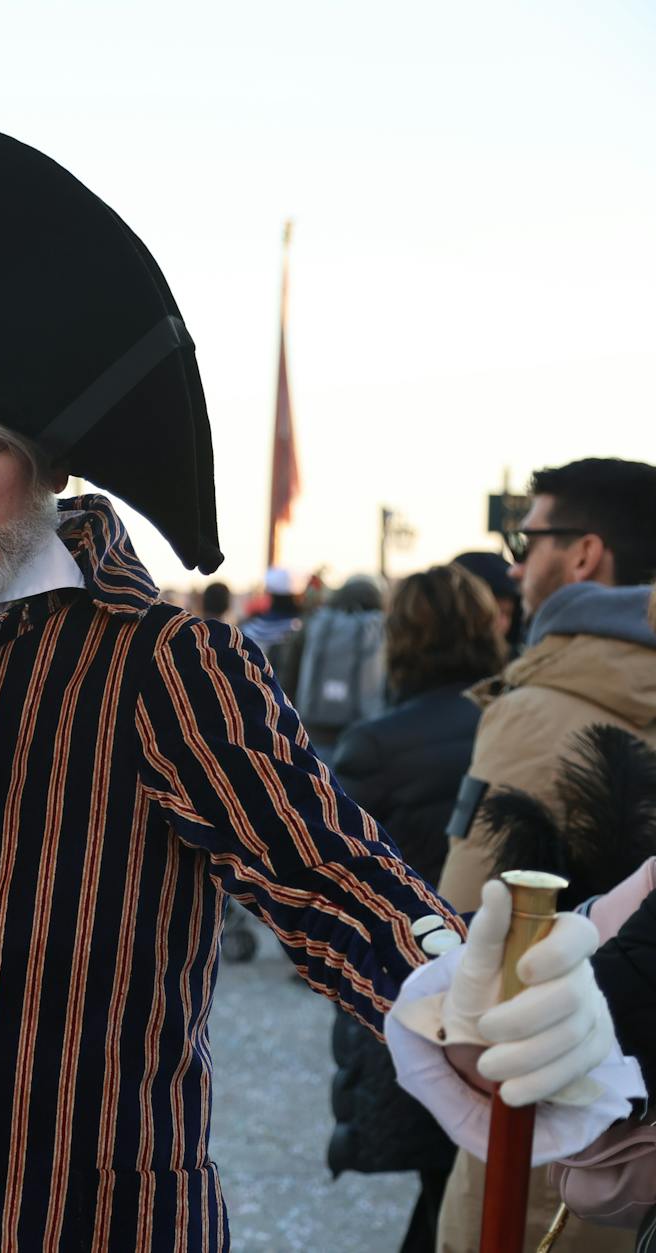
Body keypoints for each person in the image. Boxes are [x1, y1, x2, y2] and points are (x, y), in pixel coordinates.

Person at [0, 123, 617, 1251]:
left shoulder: (155, 655)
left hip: (67, 1213)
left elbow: (318, 867)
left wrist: (459, 983)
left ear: (46, 465)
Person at [326, 564, 508, 1252]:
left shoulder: (378, 742)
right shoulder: (512, 720)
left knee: (445, 1190)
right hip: (508, 979)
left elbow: (339, 881)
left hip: (418, 988)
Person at [440, 457, 656, 910]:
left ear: (583, 555)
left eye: (525, 543)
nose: (515, 568)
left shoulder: (533, 714)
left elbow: (473, 923)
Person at [287, 572, 386, 761]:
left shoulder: (315, 623)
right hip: (365, 732)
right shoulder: (381, 627)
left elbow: (289, 674)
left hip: (313, 727)